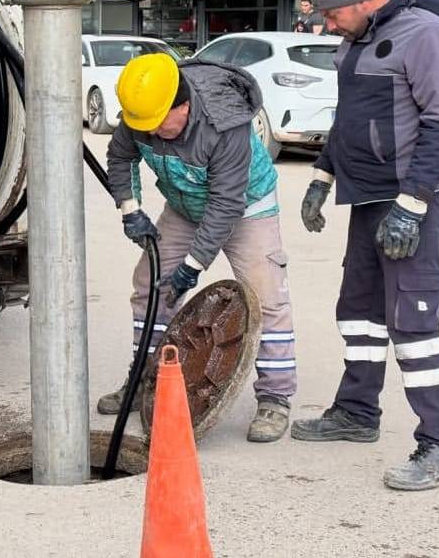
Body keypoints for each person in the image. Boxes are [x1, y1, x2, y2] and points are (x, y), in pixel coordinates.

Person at [289, 0, 439, 491]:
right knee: (360, 311)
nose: (327, 23)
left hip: (414, 198)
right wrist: (322, 177)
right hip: (366, 196)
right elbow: (347, 119)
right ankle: (357, 412)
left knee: (412, 321)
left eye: (333, 13)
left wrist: (412, 207)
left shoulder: (426, 35)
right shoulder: (355, 39)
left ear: (361, 0)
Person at [99, 52, 298, 443]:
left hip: (245, 206)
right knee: (150, 287)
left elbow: (227, 204)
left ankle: (275, 397)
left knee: (266, 297)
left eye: (159, 125)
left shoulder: (226, 126)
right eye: (145, 126)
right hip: (185, 204)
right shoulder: (144, 112)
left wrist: (193, 265)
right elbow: (120, 157)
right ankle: (145, 378)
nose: (150, 133)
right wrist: (130, 209)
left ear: (184, 106)